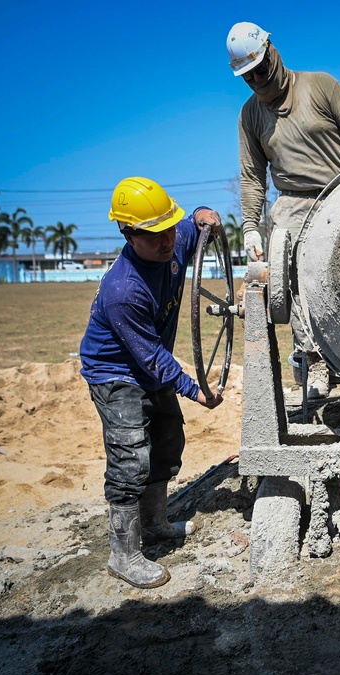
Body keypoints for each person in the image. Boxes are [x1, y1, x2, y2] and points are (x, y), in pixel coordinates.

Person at [80, 177, 225, 589]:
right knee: (130, 460)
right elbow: (152, 358)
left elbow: (194, 222)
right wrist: (196, 390)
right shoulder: (123, 290)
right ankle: (122, 555)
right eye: (154, 235)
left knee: (166, 441)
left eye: (168, 230)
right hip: (116, 373)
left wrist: (202, 215)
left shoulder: (171, 238)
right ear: (128, 233)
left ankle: (156, 522)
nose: (166, 242)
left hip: (149, 365)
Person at [227, 20, 340, 398]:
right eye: (248, 77)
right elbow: (251, 176)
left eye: (260, 69)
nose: (257, 79)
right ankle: (315, 363)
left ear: (272, 51)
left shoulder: (320, 86)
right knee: (289, 275)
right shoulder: (250, 117)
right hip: (292, 204)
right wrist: (249, 227)